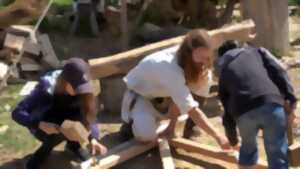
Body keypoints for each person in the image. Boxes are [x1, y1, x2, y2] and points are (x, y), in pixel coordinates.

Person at [120, 29, 231, 150]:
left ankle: (176, 128)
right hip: (141, 97)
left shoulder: (191, 63)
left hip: (164, 98)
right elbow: (192, 109)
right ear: (189, 53)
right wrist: (218, 136)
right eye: (201, 57)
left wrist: (175, 130)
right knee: (146, 135)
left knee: (204, 77)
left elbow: (188, 98)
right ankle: (131, 123)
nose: (205, 62)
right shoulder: (168, 67)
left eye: (207, 57)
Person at [12, 58, 107, 169]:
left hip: (66, 120)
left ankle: (73, 145)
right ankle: (42, 153)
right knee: (57, 133)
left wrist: (93, 139)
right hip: (45, 123)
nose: (80, 91)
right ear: (65, 81)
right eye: (76, 87)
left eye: (82, 87)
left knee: (77, 120)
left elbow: (89, 114)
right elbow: (17, 113)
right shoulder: (45, 89)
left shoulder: (83, 90)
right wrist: (39, 124)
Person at [217, 40, 297, 169]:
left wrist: (233, 140)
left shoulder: (224, 73)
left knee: (248, 150)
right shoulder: (257, 52)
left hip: (243, 114)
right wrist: (291, 100)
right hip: (271, 105)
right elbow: (279, 71)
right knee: (277, 153)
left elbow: (227, 112)